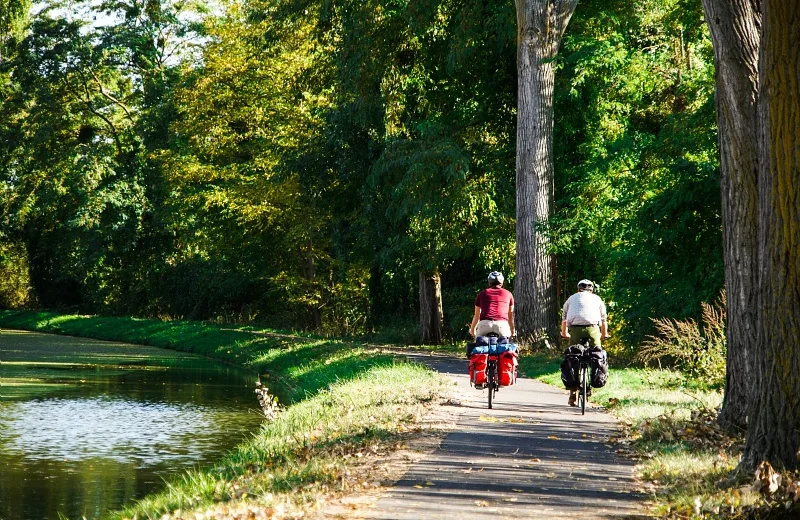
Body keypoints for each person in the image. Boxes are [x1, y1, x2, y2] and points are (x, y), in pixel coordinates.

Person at [560, 279, 609, 406]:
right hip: (592, 329)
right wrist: (604, 334)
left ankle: (572, 395)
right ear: (591, 290)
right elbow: (604, 319)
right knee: (597, 353)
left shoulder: (571, 298)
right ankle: (594, 378)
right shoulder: (597, 299)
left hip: (575, 329)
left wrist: (564, 333)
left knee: (573, 357)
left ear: (578, 289)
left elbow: (564, 317)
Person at [469, 271, 515, 339]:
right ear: (502, 282)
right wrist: (512, 332)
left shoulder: (482, 294)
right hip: (502, 325)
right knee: (505, 346)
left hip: (485, 324)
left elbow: (477, 315)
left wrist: (472, 331)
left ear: (489, 282)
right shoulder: (508, 294)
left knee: (479, 344)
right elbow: (510, 316)